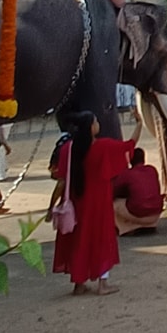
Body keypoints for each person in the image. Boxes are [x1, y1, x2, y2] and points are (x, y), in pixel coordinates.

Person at [47, 109, 131, 293]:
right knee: (101, 239)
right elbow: (129, 146)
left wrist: (51, 207)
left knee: (79, 240)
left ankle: (79, 283)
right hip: (98, 202)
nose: (98, 125)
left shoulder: (68, 149)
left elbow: (61, 182)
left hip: (77, 201)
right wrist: (140, 123)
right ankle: (103, 283)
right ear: (91, 127)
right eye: (96, 122)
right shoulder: (102, 146)